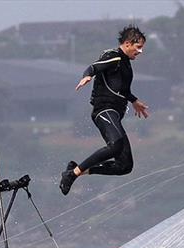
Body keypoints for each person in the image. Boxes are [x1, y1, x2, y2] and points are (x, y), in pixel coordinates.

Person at [59, 25, 149, 196]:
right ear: (128, 43)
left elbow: (121, 89)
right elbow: (94, 67)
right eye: (138, 47)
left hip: (114, 112)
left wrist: (134, 100)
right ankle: (72, 175)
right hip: (104, 110)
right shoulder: (114, 57)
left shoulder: (126, 64)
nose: (140, 51)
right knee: (115, 145)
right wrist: (87, 75)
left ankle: (75, 170)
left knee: (124, 166)